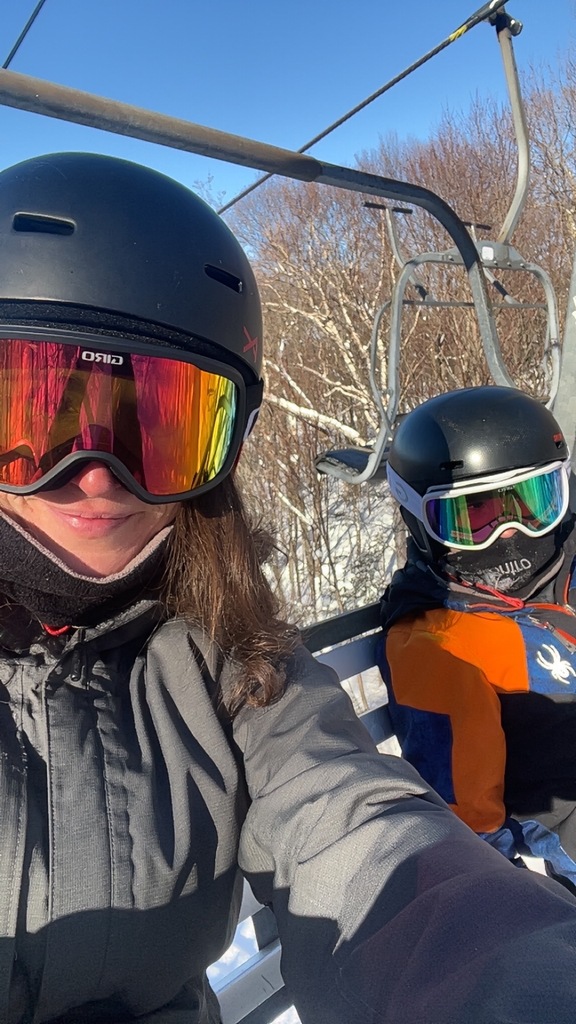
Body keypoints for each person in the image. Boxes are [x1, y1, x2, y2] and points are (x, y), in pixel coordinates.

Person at [2, 157, 576, 1024]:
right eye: (36, 418)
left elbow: (353, 828)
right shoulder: (436, 642)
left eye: (163, 426)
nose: (97, 476)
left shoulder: (232, 658)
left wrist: (519, 982)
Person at [380, 384, 576, 894]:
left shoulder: (564, 563)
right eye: (477, 518)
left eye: (533, 503)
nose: (510, 534)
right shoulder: (439, 643)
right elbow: (470, 818)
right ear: (418, 519)